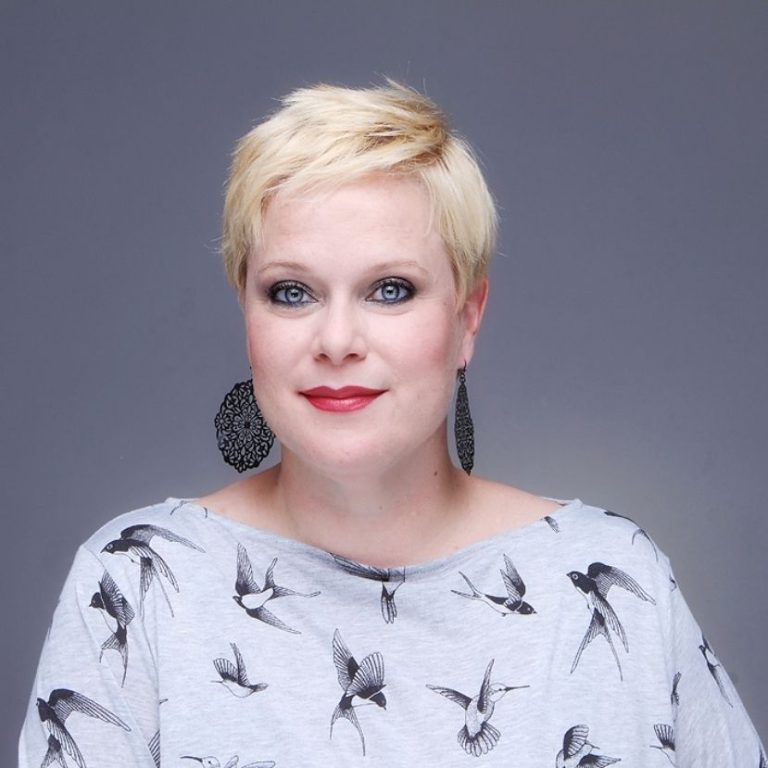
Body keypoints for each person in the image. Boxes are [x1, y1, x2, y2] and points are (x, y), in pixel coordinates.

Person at [19, 80, 764, 767]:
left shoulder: (617, 577)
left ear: (468, 316)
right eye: (291, 292)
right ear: (246, 313)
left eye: (390, 289)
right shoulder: (136, 584)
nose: (337, 340)